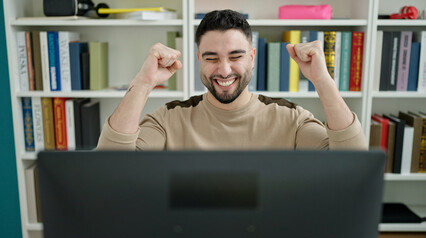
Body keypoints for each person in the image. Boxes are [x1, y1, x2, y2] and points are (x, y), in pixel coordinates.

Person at [97, 9, 367, 151]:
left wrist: (323, 81)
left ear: (251, 56)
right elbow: (111, 164)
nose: (224, 70)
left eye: (235, 56)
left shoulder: (291, 118)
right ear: (199, 59)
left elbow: (353, 160)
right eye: (211, 58)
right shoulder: (169, 119)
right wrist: (144, 82)